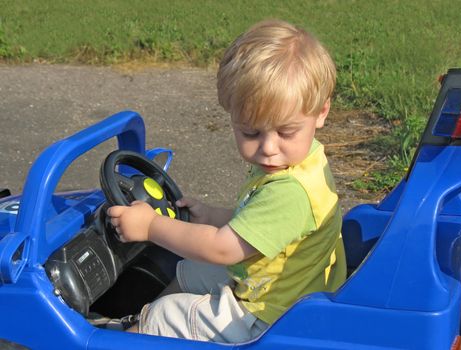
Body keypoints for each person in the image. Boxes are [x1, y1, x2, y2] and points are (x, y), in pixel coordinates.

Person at [106, 19, 347, 343]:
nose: (268, 148)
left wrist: (150, 227)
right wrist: (214, 216)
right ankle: (154, 322)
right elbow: (263, 222)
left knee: (165, 316)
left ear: (321, 112)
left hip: (270, 318)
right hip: (286, 287)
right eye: (251, 132)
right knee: (194, 269)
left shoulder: (291, 192)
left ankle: (139, 334)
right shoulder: (301, 159)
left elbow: (222, 249)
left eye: (285, 132)